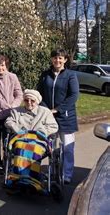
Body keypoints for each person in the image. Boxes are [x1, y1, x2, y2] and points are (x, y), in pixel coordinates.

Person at [37, 48, 79, 185]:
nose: (57, 60)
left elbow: (74, 96)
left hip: (66, 117)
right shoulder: (45, 75)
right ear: (51, 59)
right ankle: (52, 172)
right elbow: (39, 93)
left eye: (60, 58)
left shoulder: (70, 75)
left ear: (65, 60)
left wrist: (58, 109)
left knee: (67, 147)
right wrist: (46, 109)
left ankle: (66, 174)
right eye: (55, 57)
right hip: (48, 116)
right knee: (49, 146)